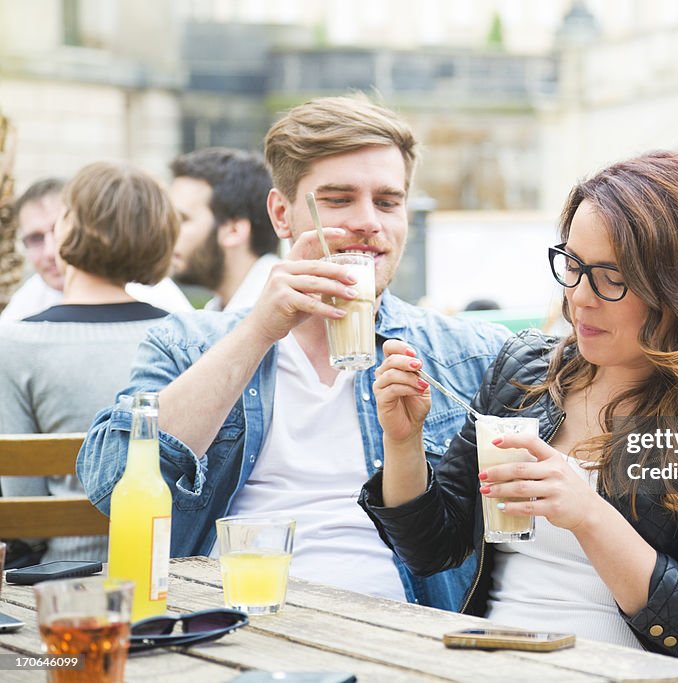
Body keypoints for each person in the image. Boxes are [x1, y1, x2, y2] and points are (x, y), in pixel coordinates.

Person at [360, 151, 678, 682]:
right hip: (489, 663)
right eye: (572, 266)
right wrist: (404, 442)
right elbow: (432, 548)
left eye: (610, 277)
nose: (579, 297)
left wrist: (587, 513)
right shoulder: (526, 374)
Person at [77, 96, 510, 610]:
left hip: (409, 631)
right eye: (338, 199)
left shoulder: (469, 356)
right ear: (281, 214)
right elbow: (113, 485)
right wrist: (259, 330)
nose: (369, 221)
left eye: (388, 202)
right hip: (228, 625)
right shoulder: (188, 342)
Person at [0, 162, 178, 563]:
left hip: (61, 579)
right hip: (173, 571)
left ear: (68, 230)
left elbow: (22, 507)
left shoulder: (13, 341)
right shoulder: (186, 334)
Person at [0, 178, 192, 321]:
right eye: (35, 239)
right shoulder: (24, 306)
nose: (50, 252)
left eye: (57, 229)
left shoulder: (154, 293)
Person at [169, 147, 280, 312]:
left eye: (182, 219)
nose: (166, 232)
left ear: (234, 230)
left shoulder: (286, 314)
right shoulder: (219, 310)